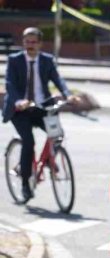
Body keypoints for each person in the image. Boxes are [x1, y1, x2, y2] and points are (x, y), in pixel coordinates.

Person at [1, 27, 71, 201]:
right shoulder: (14, 60)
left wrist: (67, 94)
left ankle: (48, 159)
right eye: (27, 42)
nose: (30, 45)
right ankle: (25, 183)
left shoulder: (47, 60)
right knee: (29, 141)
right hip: (20, 110)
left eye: (33, 42)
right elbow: (10, 84)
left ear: (40, 44)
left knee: (58, 134)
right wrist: (19, 101)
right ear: (23, 42)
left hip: (41, 107)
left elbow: (58, 79)